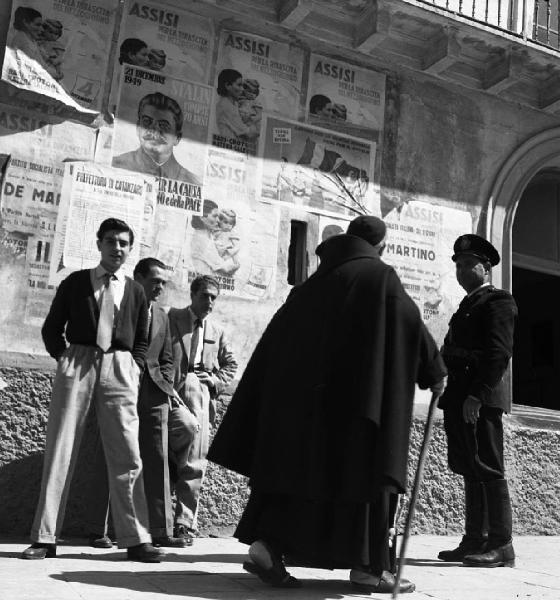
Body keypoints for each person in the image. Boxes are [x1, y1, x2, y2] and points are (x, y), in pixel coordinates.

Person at [208, 215, 447, 594]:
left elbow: (275, 344)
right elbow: (408, 323)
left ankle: (268, 545)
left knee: (297, 474)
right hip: (357, 412)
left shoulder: (307, 287)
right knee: (361, 477)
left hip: (301, 414)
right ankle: (368, 568)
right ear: (380, 245)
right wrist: (435, 370)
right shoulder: (380, 277)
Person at [22, 218, 162, 563]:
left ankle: (136, 538)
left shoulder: (135, 290)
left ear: (130, 250)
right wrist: (66, 358)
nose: (117, 248)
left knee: (128, 453)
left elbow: (143, 336)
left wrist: (135, 364)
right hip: (79, 362)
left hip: (120, 366)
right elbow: (52, 328)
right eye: (112, 241)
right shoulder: (75, 283)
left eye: (124, 243)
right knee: (60, 447)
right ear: (99, 244)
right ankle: (44, 537)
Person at [87, 258, 188, 549]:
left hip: (153, 393)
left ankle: (159, 529)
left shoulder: (162, 315)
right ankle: (98, 529)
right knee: (111, 455)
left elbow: (167, 357)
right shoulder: (118, 304)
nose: (160, 287)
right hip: (118, 385)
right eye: (155, 281)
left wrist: (165, 386)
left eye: (163, 283)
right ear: (138, 278)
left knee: (157, 458)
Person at [437, 234, 517, 568]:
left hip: (479, 398)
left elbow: (498, 353)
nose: (461, 270)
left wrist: (477, 395)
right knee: (470, 467)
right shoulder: (467, 306)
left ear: (485, 268)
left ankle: (501, 545)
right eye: (457, 265)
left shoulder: (497, 302)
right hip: (460, 397)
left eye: (469, 264)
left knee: (488, 465)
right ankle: (474, 540)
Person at [167, 275, 237, 545]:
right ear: (192, 294)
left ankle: (184, 523)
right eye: (205, 296)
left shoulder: (216, 331)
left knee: (196, 460)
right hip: (172, 387)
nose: (209, 302)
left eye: (213, 298)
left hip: (200, 393)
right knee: (165, 453)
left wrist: (217, 381)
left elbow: (231, 363)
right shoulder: (173, 319)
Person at [112, 92, 201, 184]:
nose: (153, 129)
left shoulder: (193, 182)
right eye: (147, 121)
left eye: (163, 125)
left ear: (177, 138)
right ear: (138, 128)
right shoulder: (114, 165)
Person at [191, 200, 240, 276]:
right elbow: (226, 268)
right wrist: (237, 265)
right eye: (214, 216)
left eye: (218, 216)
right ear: (202, 217)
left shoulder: (207, 235)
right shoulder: (203, 240)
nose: (218, 220)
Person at [215, 69, 260, 143]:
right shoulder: (225, 106)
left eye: (242, 85)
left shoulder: (235, 103)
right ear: (227, 86)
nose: (242, 89)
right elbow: (250, 133)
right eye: (239, 85)